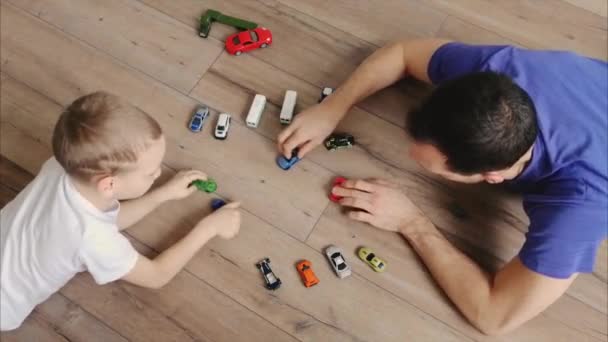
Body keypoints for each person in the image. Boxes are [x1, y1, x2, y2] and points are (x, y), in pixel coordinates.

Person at [278, 39, 607, 335]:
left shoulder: (578, 207)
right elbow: (403, 52)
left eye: (431, 167)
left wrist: (411, 222)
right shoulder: (499, 76)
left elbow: (494, 316)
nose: (408, 155)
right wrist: (333, 107)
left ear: (492, 177)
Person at [0, 92, 241, 331]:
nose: (158, 173)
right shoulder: (92, 239)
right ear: (109, 185)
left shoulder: (60, 166)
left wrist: (163, 194)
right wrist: (209, 228)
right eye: (151, 172)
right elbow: (157, 275)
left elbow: (108, 219)